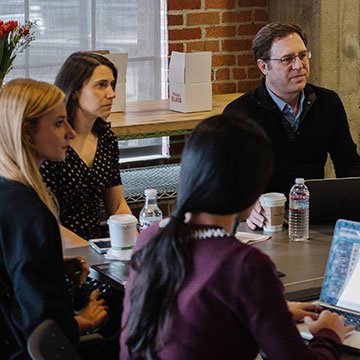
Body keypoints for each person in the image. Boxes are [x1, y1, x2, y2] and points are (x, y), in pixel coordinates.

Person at [120, 114, 352, 359]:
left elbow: (192, 319)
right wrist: (329, 333)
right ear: (250, 185)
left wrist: (273, 311)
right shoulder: (245, 264)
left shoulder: (150, 236)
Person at [0, 79, 108, 359]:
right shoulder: (31, 213)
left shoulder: (6, 192)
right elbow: (42, 326)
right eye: (59, 123)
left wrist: (50, 263)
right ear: (27, 132)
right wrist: (82, 320)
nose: (71, 133)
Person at [223, 22, 360, 230]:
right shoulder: (240, 113)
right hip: (262, 222)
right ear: (263, 66)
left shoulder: (328, 103)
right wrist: (246, 206)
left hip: (314, 218)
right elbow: (226, 179)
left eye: (303, 56)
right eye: (287, 59)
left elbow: (349, 163)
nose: (299, 66)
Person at [40, 51, 133, 247]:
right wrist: (90, 256)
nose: (112, 93)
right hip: (57, 249)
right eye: (101, 85)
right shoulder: (51, 144)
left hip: (97, 244)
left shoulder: (106, 138)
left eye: (112, 84)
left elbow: (116, 206)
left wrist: (136, 243)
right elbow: (46, 223)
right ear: (74, 91)